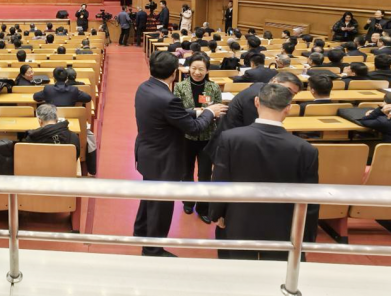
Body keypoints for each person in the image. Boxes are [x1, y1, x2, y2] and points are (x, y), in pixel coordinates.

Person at [133, 51, 227, 257]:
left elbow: (168, 114)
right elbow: (194, 128)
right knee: (161, 206)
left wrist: (195, 111)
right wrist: (209, 112)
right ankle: (153, 250)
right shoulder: (168, 98)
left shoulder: (144, 87)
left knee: (148, 198)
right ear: (175, 73)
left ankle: (140, 233)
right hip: (163, 159)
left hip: (148, 153)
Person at [210, 83, 319, 260]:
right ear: (288, 108)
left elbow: (220, 180)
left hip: (238, 218)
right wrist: (307, 237)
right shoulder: (306, 149)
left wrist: (216, 214)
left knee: (235, 268)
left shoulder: (230, 138)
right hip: (284, 225)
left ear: (256, 102)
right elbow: (310, 198)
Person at [173, 53, 222, 223]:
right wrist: (200, 112)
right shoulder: (180, 86)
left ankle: (203, 207)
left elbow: (218, 111)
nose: (197, 72)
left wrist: (209, 114)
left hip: (208, 137)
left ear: (207, 70)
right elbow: (178, 112)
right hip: (186, 136)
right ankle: (188, 201)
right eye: (194, 68)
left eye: (201, 69)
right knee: (186, 172)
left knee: (205, 174)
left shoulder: (213, 88)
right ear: (189, 68)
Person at [213, 72, 303, 139]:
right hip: (229, 142)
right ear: (274, 81)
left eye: (293, 94)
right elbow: (254, 128)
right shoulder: (256, 96)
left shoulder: (263, 89)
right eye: (288, 90)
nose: (288, 95)